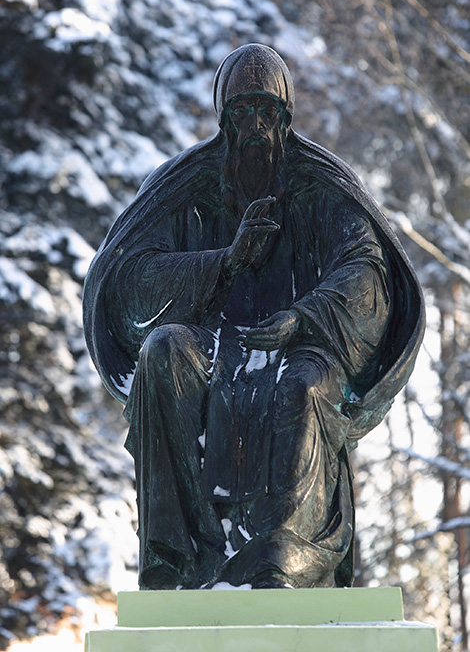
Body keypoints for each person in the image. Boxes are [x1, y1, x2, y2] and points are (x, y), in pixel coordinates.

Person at [83, 43, 424, 591]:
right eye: (244, 113)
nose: (257, 128)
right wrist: (224, 262)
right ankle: (180, 557)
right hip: (210, 344)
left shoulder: (321, 185)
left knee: (305, 386)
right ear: (224, 119)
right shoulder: (184, 185)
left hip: (304, 342)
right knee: (165, 354)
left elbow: (367, 270)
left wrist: (304, 318)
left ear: (286, 120)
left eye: (269, 114)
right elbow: (127, 279)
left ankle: (280, 557)